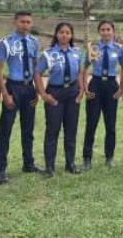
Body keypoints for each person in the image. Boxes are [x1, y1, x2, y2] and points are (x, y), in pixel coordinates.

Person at [0, 11, 44, 184]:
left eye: (28, 22)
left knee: (28, 129)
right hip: (13, 87)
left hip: (29, 88)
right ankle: (0, 169)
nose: (25, 25)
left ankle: (28, 163)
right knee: (5, 129)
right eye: (22, 21)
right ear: (15, 22)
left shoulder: (34, 43)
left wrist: (37, 90)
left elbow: (36, 67)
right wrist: (4, 94)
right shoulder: (5, 43)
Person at [34, 22, 85, 177]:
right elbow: (37, 73)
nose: (64, 35)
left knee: (71, 130)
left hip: (72, 93)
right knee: (53, 130)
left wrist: (81, 90)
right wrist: (43, 93)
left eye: (68, 32)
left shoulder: (76, 52)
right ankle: (49, 166)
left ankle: (70, 163)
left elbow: (81, 72)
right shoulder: (49, 54)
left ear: (71, 35)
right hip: (55, 93)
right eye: (61, 32)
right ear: (56, 34)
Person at [82, 20, 123, 170]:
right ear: (99, 32)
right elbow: (84, 68)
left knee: (110, 124)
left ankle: (109, 157)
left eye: (108, 29)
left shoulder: (119, 49)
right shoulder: (94, 48)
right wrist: (84, 87)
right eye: (103, 29)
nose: (106, 32)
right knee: (91, 123)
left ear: (113, 32)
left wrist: (122, 88)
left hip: (111, 85)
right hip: (95, 84)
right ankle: (87, 158)